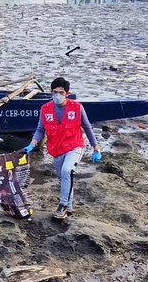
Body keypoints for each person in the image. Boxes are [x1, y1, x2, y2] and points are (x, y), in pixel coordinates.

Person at [25, 76, 102, 222]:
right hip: (56, 149)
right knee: (63, 177)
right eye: (55, 92)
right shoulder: (45, 109)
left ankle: (63, 205)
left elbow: (87, 127)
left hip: (74, 146)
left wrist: (96, 148)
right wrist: (32, 143)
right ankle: (70, 207)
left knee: (67, 170)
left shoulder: (77, 108)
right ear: (51, 92)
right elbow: (40, 129)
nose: (57, 95)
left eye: (61, 92)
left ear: (67, 93)